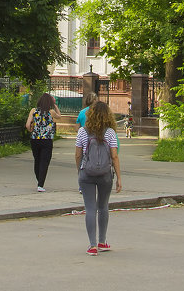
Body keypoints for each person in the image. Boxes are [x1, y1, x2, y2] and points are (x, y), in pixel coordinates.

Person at [75, 100, 122, 255]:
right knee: (103, 207)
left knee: (90, 208)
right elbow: (114, 156)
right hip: (105, 175)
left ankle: (92, 245)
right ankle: (102, 241)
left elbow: (78, 154)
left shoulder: (82, 131)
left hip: (86, 174)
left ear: (90, 113)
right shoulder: (110, 132)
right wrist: (119, 178)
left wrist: (79, 170)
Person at [25, 93, 59, 191]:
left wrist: (31, 131)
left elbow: (27, 125)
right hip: (47, 140)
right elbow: (59, 116)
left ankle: (39, 180)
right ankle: (40, 184)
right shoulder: (51, 112)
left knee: (37, 160)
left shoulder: (33, 111)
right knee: (45, 161)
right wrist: (55, 105)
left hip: (35, 139)